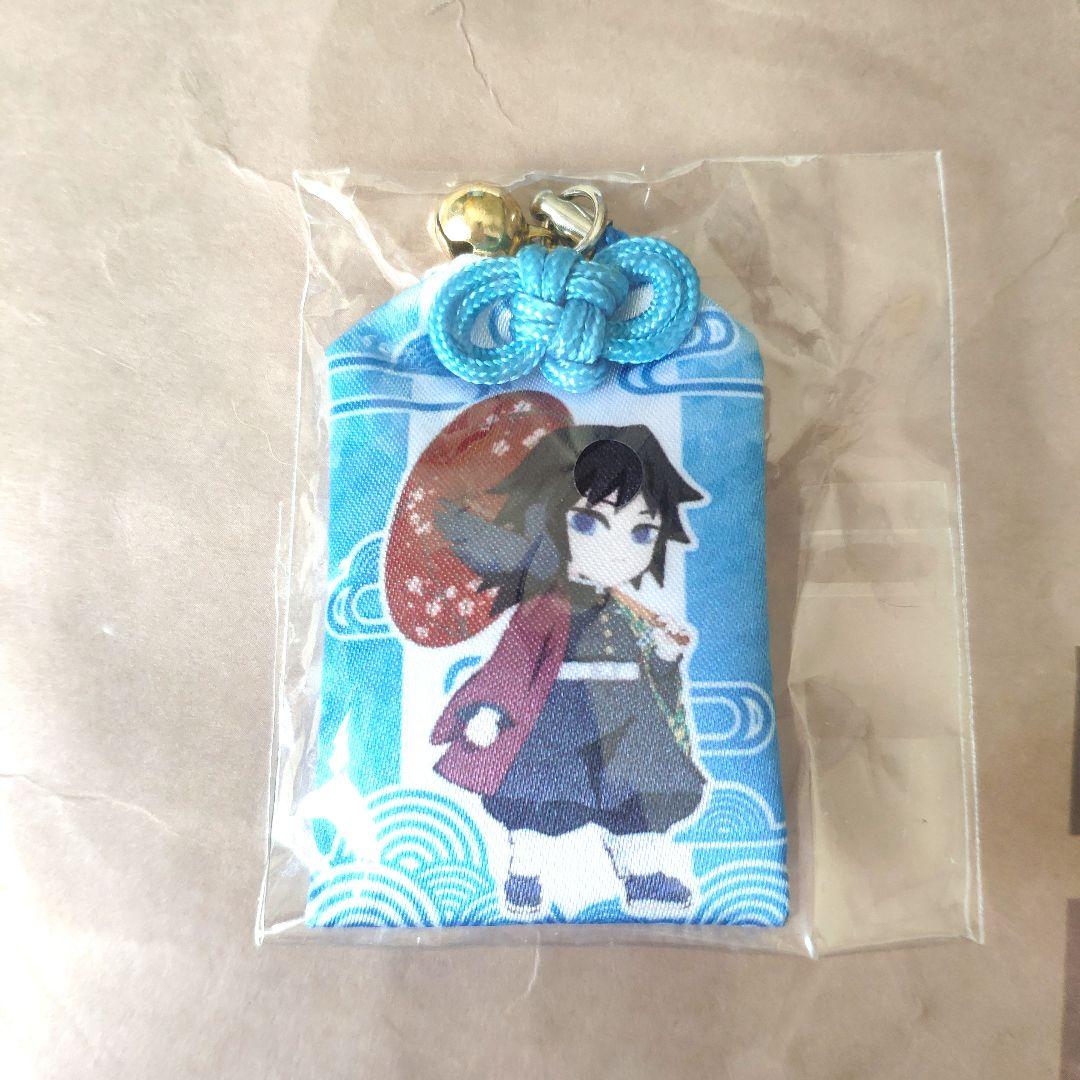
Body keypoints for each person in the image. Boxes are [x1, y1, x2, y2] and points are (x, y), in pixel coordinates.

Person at [425, 423, 708, 916]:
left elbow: (650, 674)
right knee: (539, 799)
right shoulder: (545, 605)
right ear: (548, 519)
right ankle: (525, 874)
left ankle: (642, 875)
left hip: (627, 718)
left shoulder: (626, 610)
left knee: (634, 800)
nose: (617, 548)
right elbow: (513, 663)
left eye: (641, 531)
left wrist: (664, 654)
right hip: (556, 717)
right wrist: (489, 710)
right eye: (588, 525)